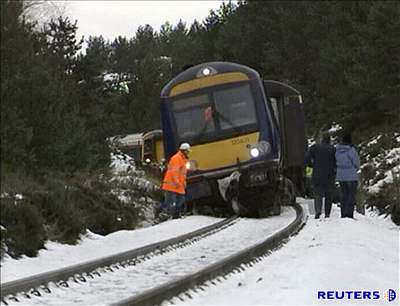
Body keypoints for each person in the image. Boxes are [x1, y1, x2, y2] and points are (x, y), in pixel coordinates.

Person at [305, 133, 336, 219]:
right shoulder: (333, 149)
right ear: (329, 140)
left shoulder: (315, 147)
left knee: (318, 194)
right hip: (329, 175)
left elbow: (307, 157)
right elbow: (336, 161)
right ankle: (327, 213)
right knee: (329, 195)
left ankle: (318, 211)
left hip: (317, 174)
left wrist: (311, 165)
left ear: (322, 139)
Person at [159, 143, 191, 219]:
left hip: (178, 185)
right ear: (183, 151)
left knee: (179, 201)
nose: (188, 153)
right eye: (187, 151)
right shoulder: (176, 158)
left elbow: (182, 174)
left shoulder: (183, 159)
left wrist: (183, 183)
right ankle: (161, 214)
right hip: (172, 185)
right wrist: (177, 182)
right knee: (170, 203)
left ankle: (176, 215)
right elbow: (175, 171)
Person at [335, 133, 360, 218]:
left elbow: (335, 161)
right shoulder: (351, 150)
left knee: (344, 194)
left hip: (341, 175)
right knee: (351, 195)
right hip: (351, 175)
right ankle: (349, 214)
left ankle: (343, 213)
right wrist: (355, 168)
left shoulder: (337, 150)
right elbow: (356, 162)